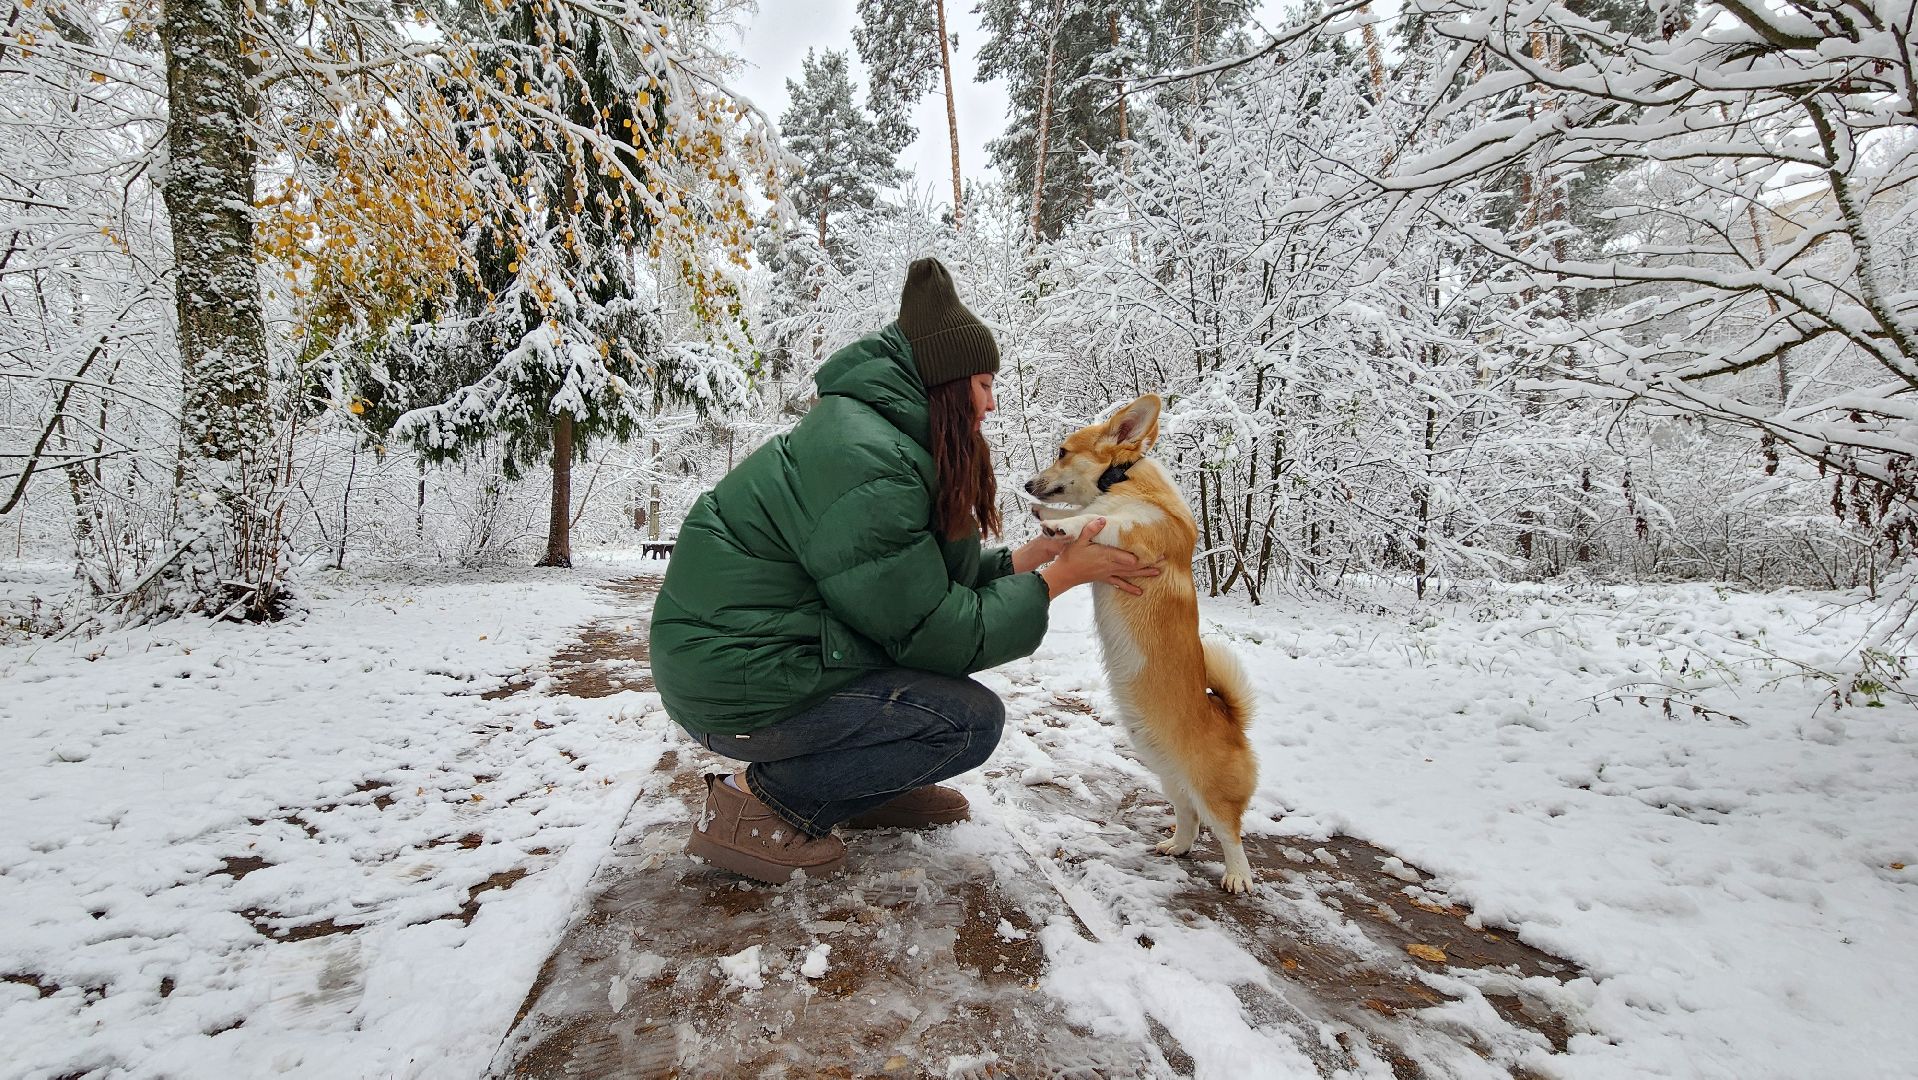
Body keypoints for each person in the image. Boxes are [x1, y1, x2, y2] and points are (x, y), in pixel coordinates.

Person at [648, 257, 1159, 883]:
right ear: (946, 383)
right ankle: (762, 807)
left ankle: (860, 788)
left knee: (942, 705)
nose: (992, 407)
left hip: (762, 663)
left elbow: (908, 585)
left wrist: (1025, 560)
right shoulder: (870, 464)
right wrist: (1059, 580)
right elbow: (930, 633)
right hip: (741, 684)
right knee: (966, 723)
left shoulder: (880, 440)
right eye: (985, 385)